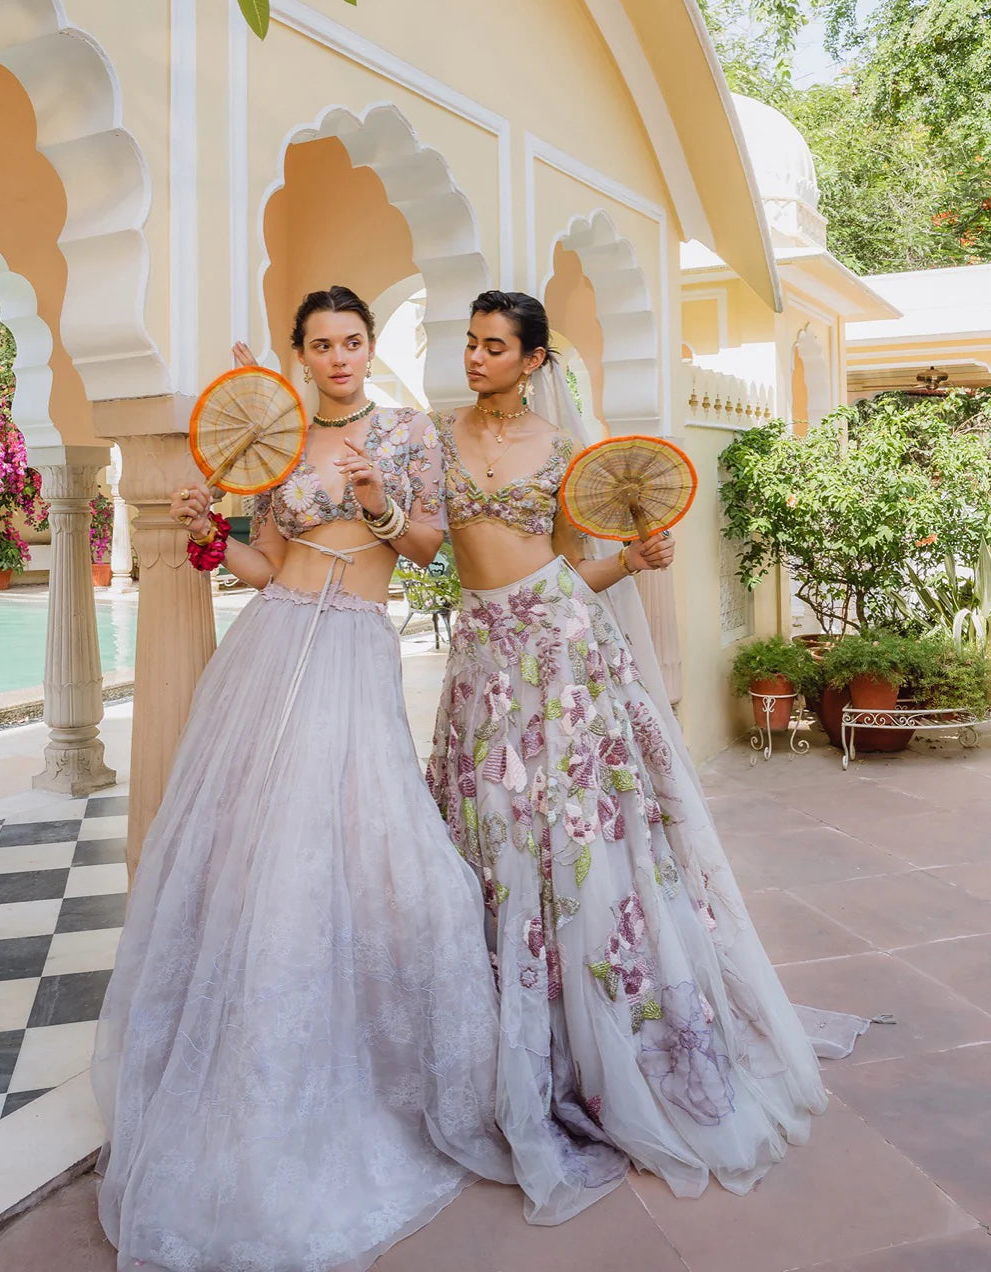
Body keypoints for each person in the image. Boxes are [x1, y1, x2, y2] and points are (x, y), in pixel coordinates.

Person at [92, 286, 513, 1272]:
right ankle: (242, 1068)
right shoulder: (277, 438)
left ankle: (377, 1069)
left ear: (369, 347)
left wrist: (378, 498)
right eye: (321, 343)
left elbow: (424, 548)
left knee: (388, 869)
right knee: (255, 861)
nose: (338, 357)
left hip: (354, 654)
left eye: (351, 341)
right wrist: (204, 528)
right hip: (271, 647)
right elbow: (260, 561)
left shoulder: (406, 433)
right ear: (302, 351)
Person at [426, 290, 863, 1226]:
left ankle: (606, 1053)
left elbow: (571, 564)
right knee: (490, 836)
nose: (474, 358)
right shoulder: (436, 436)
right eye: (469, 343)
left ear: (534, 359)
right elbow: (426, 539)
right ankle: (508, 1041)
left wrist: (634, 562)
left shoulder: (560, 450)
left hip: (562, 658)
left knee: (570, 834)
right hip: (480, 662)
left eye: (494, 346)